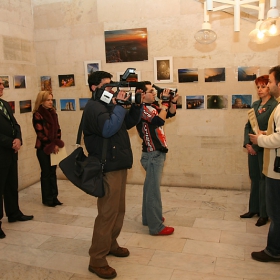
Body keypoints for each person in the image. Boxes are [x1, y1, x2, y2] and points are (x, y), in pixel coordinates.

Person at [83, 71, 142, 279]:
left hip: (119, 164)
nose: (112, 90)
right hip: (107, 166)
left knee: (119, 210)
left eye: (112, 85)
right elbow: (108, 129)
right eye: (107, 86)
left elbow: (126, 123)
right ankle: (97, 259)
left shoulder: (107, 106)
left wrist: (135, 105)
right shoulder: (94, 108)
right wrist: (118, 105)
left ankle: (111, 243)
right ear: (93, 87)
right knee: (107, 213)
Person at [136, 81, 179, 235]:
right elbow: (159, 121)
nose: (154, 93)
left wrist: (172, 101)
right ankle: (156, 226)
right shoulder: (142, 110)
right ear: (142, 94)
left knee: (149, 188)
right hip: (152, 153)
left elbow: (170, 113)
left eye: (154, 91)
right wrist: (166, 101)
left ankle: (149, 218)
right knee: (153, 191)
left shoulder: (152, 107)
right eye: (150, 91)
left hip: (155, 152)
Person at [249, 65, 280, 262]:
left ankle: (273, 250)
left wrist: (260, 140)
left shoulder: (277, 107)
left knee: (276, 212)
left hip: (277, 170)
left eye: (269, 82)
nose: (266, 85)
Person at [240, 75, 278, 227]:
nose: (260, 89)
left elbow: (273, 131)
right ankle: (253, 209)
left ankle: (264, 213)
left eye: (263, 86)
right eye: (258, 87)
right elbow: (248, 126)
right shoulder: (255, 105)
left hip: (265, 149)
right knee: (254, 178)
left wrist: (256, 145)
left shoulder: (274, 106)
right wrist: (247, 145)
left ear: (270, 87)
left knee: (263, 181)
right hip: (252, 148)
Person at [0, 78, 33, 239]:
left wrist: (18, 139)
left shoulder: (5, 104)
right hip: (2, 152)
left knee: (11, 184)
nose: (1, 87)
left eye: (1, 84)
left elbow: (16, 125)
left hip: (11, 153)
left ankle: (14, 213)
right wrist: (10, 143)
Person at [32, 91, 64, 207]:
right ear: (41, 101)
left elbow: (58, 130)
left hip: (53, 147)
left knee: (52, 173)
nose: (51, 102)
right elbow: (40, 134)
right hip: (43, 148)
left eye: (51, 100)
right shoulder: (37, 114)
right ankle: (47, 199)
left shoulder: (53, 113)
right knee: (46, 174)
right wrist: (52, 145)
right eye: (48, 100)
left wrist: (56, 144)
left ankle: (54, 197)